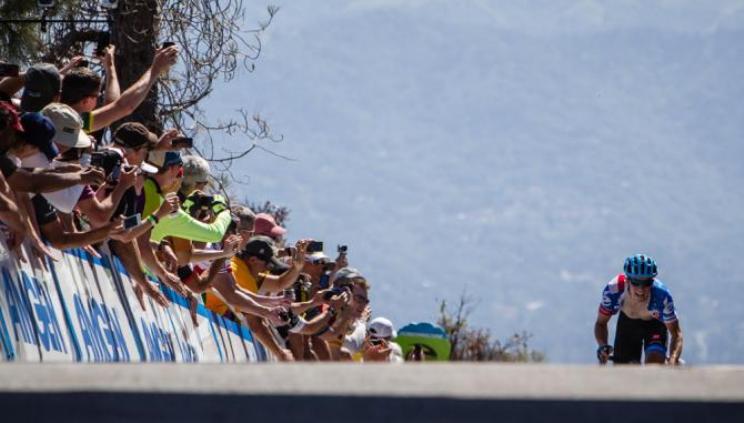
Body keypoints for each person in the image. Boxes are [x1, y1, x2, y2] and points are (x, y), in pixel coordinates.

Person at [595, 254, 683, 365]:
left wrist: (673, 358)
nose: (641, 289)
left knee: (654, 365)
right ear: (627, 280)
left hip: (655, 325)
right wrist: (602, 345)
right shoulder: (614, 289)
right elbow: (601, 323)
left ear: (652, 281)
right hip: (628, 325)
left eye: (646, 283)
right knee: (624, 371)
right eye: (636, 283)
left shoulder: (662, 296)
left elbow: (676, 333)